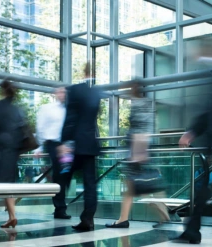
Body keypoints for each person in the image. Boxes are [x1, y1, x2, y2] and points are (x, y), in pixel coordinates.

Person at [176, 76, 212, 244]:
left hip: (206, 147)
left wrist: (191, 133)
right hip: (209, 146)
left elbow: (210, 118)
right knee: (201, 189)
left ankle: (193, 231)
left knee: (202, 189)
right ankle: (193, 230)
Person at [106, 79, 154, 229]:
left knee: (137, 189)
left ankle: (164, 215)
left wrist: (137, 154)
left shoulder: (142, 104)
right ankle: (123, 219)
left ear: (136, 88)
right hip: (135, 151)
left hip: (136, 152)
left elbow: (143, 130)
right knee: (133, 188)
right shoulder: (141, 103)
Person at [60, 63, 102, 231]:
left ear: (83, 72)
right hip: (90, 144)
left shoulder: (75, 90)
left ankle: (59, 206)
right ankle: (88, 219)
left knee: (63, 175)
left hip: (75, 144)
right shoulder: (96, 93)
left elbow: (70, 119)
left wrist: (64, 142)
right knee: (90, 183)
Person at [0, 79, 25, 228]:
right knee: (8, 184)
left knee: (2, 185)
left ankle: (12, 215)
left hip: (0, 150)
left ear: (3, 91)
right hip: (13, 151)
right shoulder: (17, 109)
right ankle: (11, 216)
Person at [34, 86, 71, 219]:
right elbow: (41, 127)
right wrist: (39, 147)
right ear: (55, 93)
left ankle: (61, 206)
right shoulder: (47, 108)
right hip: (53, 145)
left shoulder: (68, 109)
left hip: (67, 146)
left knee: (66, 174)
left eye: (64, 92)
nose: (62, 94)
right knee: (59, 175)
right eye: (60, 92)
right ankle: (60, 208)